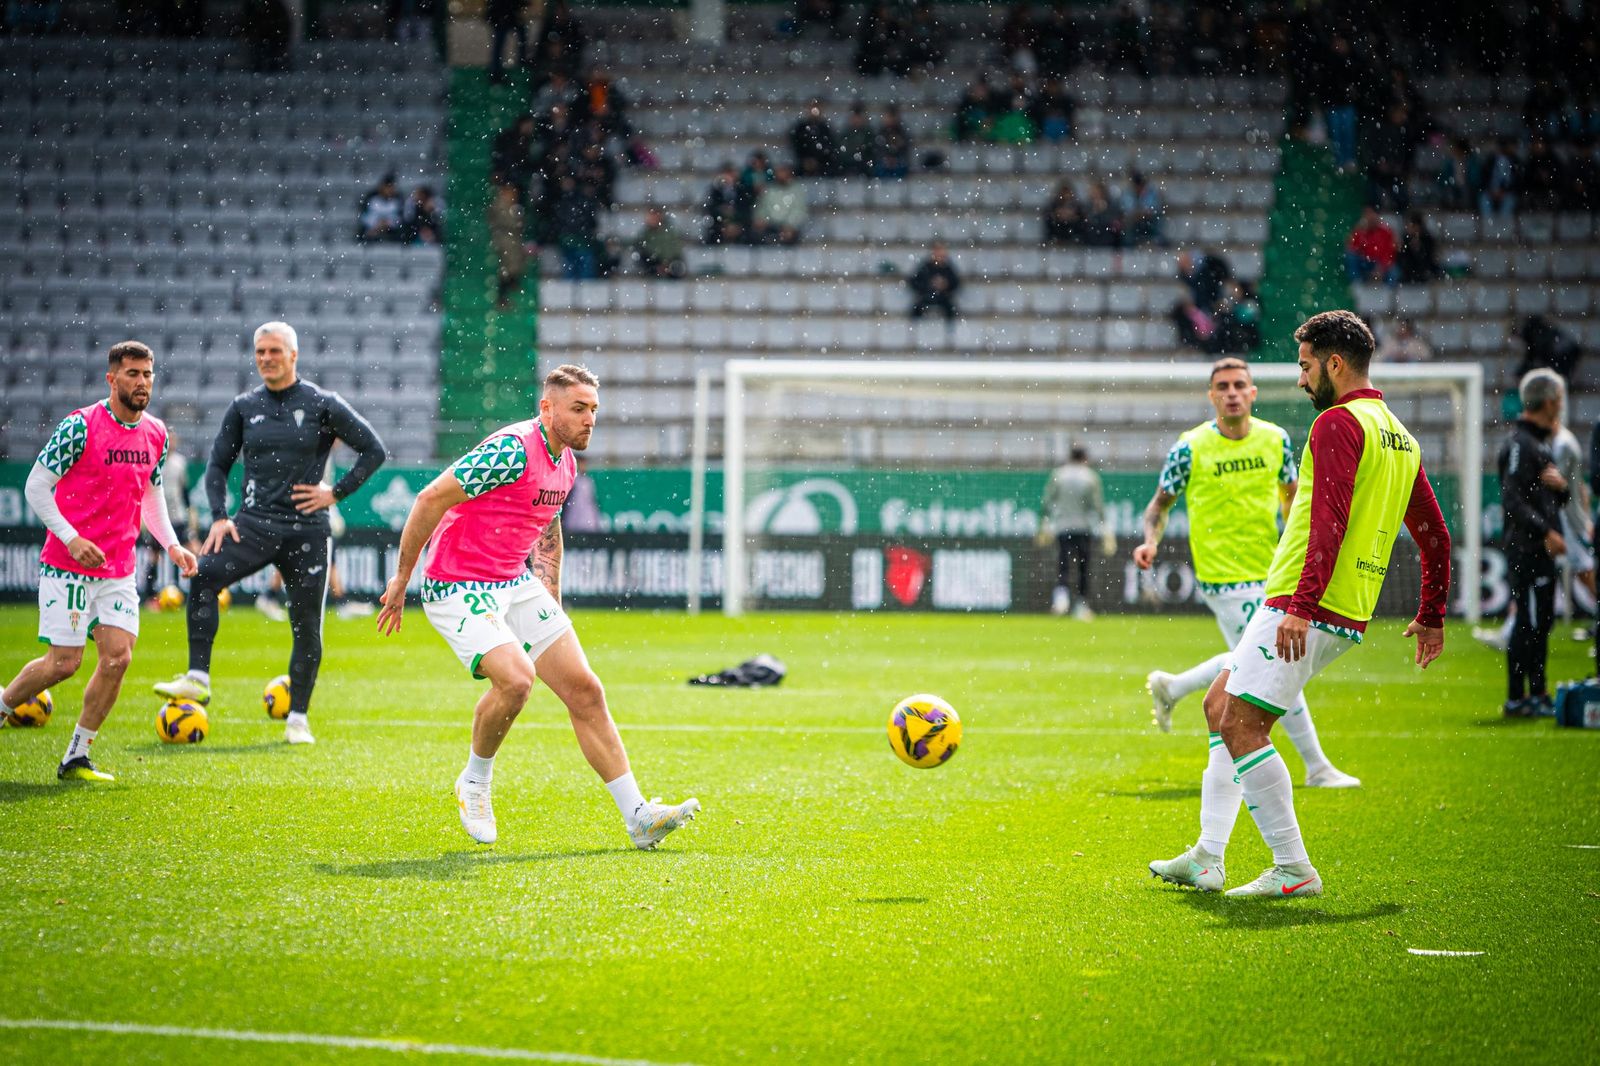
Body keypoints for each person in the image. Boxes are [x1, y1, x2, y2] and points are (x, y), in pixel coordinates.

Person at [1149, 310, 1450, 897]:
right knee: (1219, 704)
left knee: (1241, 723)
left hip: (1305, 603)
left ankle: (1292, 868)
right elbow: (1435, 534)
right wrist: (1432, 612)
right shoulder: (1398, 434)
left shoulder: (1338, 424)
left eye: (1306, 367)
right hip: (1340, 606)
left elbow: (1328, 523)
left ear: (1335, 364)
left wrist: (1300, 605)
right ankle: (1208, 856)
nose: (1301, 380)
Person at [375, 364, 699, 848]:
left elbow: (546, 530)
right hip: (459, 582)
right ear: (546, 408)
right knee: (518, 680)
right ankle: (475, 781)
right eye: (578, 408)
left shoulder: (566, 461)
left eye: (593, 409)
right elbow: (429, 498)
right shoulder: (511, 450)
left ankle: (638, 817)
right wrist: (402, 578)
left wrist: (550, 607)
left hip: (514, 581)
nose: (589, 419)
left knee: (586, 690)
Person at [152, 323, 387, 745]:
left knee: (307, 627)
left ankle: (298, 717)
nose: (266, 358)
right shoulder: (244, 407)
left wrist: (336, 492)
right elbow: (217, 465)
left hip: (308, 532)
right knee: (204, 575)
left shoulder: (322, 403)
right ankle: (197, 677)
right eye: (260, 351)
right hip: (254, 524)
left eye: (274, 351)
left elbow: (374, 449)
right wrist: (221, 516)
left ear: (293, 355)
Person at [1134, 357, 1358, 787]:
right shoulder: (1191, 447)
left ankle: (1174, 686)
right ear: (1212, 396)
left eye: (1240, 385)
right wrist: (1151, 541)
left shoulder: (1275, 440)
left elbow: (1293, 498)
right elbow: (1160, 504)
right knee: (1272, 659)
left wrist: (1302, 549)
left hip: (1273, 569)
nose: (1232, 392)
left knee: (1263, 660)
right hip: (1224, 578)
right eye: (1223, 386)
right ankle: (1317, 767)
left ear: (1253, 393)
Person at [0, 341, 198, 782]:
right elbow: (36, 486)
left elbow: (151, 494)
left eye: (147, 374)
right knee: (63, 664)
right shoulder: (80, 426)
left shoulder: (157, 434)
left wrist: (171, 545)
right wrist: (71, 539)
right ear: (111, 379)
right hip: (67, 565)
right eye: (132, 374)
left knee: (117, 659)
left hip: (118, 570)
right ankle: (3, 705)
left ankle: (77, 755)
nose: (142, 382)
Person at [1499, 369, 1571, 718]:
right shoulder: (1520, 444)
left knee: (1541, 622)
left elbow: (1549, 497)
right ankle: (1516, 698)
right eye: (1558, 399)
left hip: (1539, 550)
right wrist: (1546, 531)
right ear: (1547, 402)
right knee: (1526, 622)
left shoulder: (1542, 443)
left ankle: (1538, 692)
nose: (1561, 405)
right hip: (1525, 549)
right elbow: (1512, 500)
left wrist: (1563, 488)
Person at [1040, 444, 1112, 620]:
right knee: (1083, 568)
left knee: (1063, 564)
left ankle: (1061, 600)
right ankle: (1081, 605)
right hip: (1083, 527)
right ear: (1084, 458)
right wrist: (1106, 531)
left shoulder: (1058, 475)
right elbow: (1097, 506)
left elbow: (1048, 502)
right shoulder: (1090, 477)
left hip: (1063, 527)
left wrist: (1045, 525)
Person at [140, 429, 196, 601]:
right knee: (154, 557)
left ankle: (199, 592)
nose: (171, 443)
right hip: (157, 516)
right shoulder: (152, 460)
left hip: (177, 516)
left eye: (173, 440)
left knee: (192, 550)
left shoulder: (180, 463)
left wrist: (191, 513)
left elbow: (184, 491)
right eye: (168, 440)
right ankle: (150, 596)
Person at [488, 183, 526, 309]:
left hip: (511, 241)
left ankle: (510, 288)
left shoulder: (510, 204)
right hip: (506, 241)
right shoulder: (501, 204)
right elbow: (509, 222)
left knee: (512, 267)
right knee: (507, 269)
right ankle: (503, 298)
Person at [908, 242, 959, 323]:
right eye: (937, 251)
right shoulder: (925, 266)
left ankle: (950, 332)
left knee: (951, 309)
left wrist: (946, 285)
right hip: (926, 296)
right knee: (916, 309)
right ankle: (915, 331)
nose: (939, 254)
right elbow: (913, 282)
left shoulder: (947, 267)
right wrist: (928, 285)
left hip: (943, 297)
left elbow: (956, 283)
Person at [1345, 207, 1398, 285]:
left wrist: (1381, 268)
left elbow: (1389, 252)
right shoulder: (1360, 230)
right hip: (1365, 261)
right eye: (1367, 215)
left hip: (1380, 263)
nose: (1369, 217)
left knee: (1394, 272)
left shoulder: (1386, 231)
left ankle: (1390, 294)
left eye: (1371, 214)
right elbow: (1351, 247)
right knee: (1350, 256)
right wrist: (1359, 232)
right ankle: (1357, 283)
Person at [630, 205, 686, 278]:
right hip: (654, 263)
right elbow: (640, 247)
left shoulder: (669, 231)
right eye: (650, 217)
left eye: (653, 217)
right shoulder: (645, 233)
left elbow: (674, 249)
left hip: (669, 262)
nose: (651, 219)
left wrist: (664, 263)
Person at [486, 0, 528, 83]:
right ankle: (496, 72)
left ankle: (496, 71)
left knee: (498, 46)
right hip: (501, 16)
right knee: (498, 46)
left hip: (503, 15)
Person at [358, 174, 406, 243]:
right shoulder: (372, 199)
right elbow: (364, 216)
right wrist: (376, 223)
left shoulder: (398, 200)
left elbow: (401, 218)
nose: (389, 190)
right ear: (382, 187)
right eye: (387, 187)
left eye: (391, 187)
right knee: (365, 234)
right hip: (373, 227)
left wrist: (389, 223)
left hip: (392, 229)